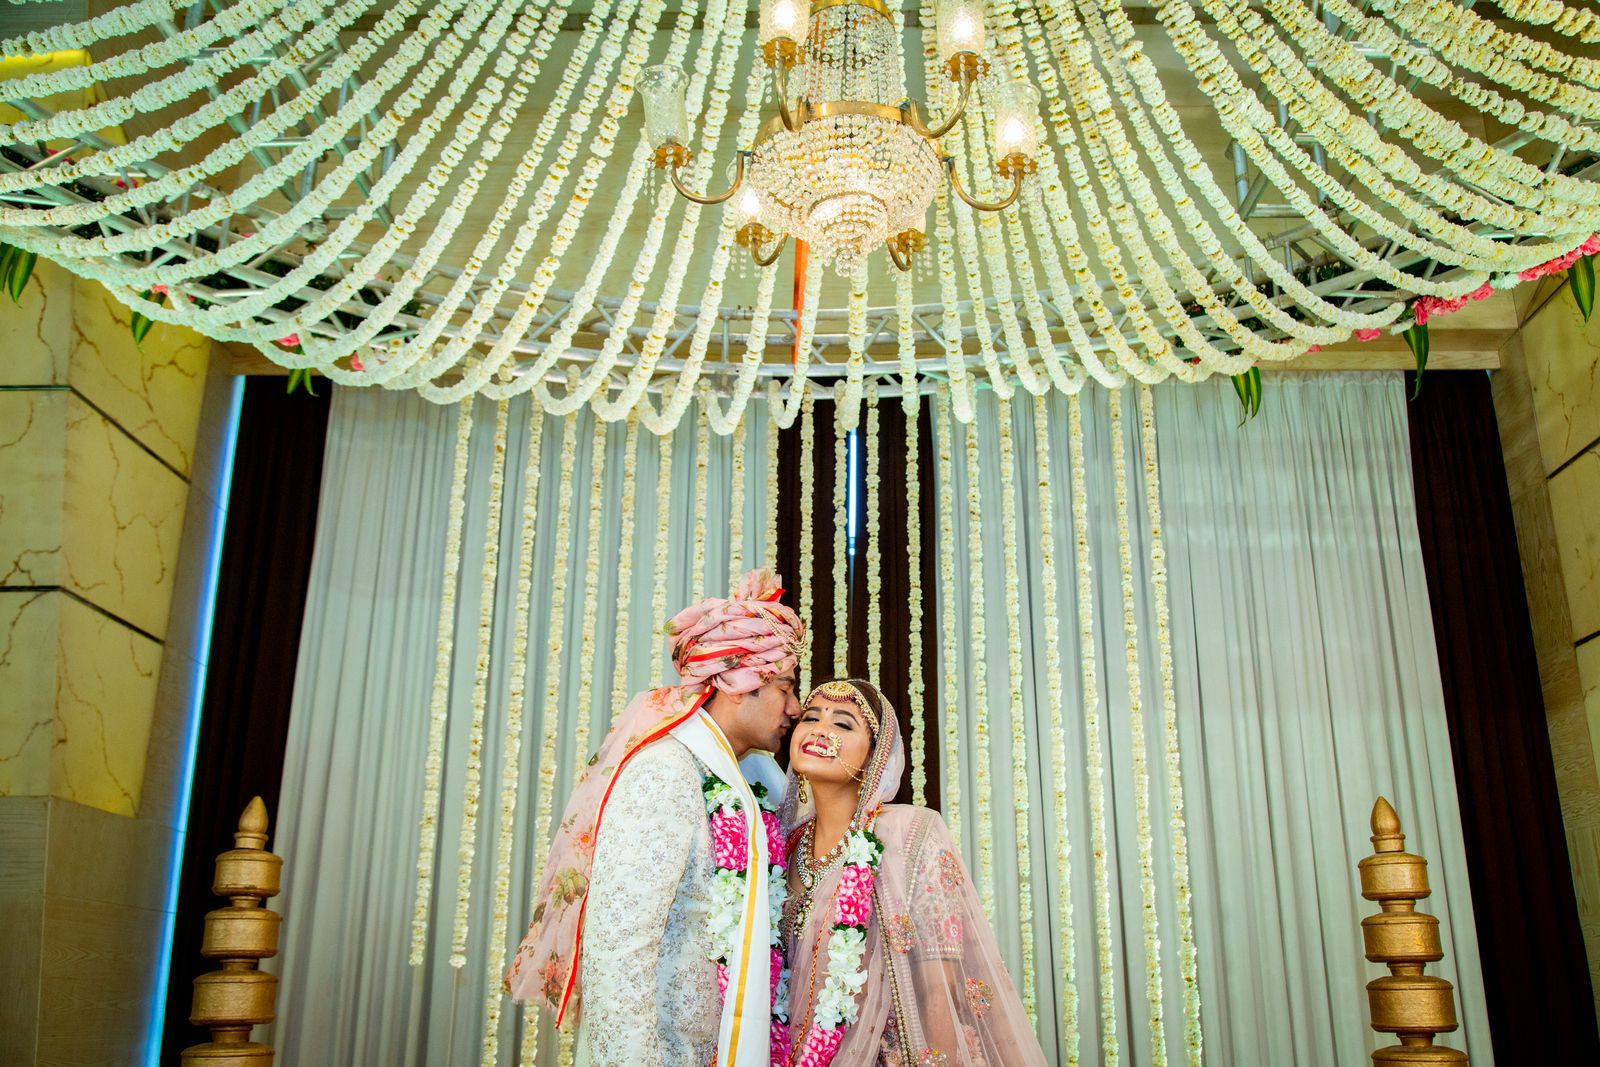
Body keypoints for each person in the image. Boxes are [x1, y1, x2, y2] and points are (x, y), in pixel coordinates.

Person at [506, 567, 806, 1067]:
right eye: (786, 688)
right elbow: (616, 953)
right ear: (738, 683)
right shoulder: (666, 771)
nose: (795, 708)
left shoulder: (748, 780)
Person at [779, 678, 1047, 1067]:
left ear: (874, 756)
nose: (820, 730)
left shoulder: (908, 833)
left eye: (842, 724)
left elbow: (939, 985)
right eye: (810, 717)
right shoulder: (784, 847)